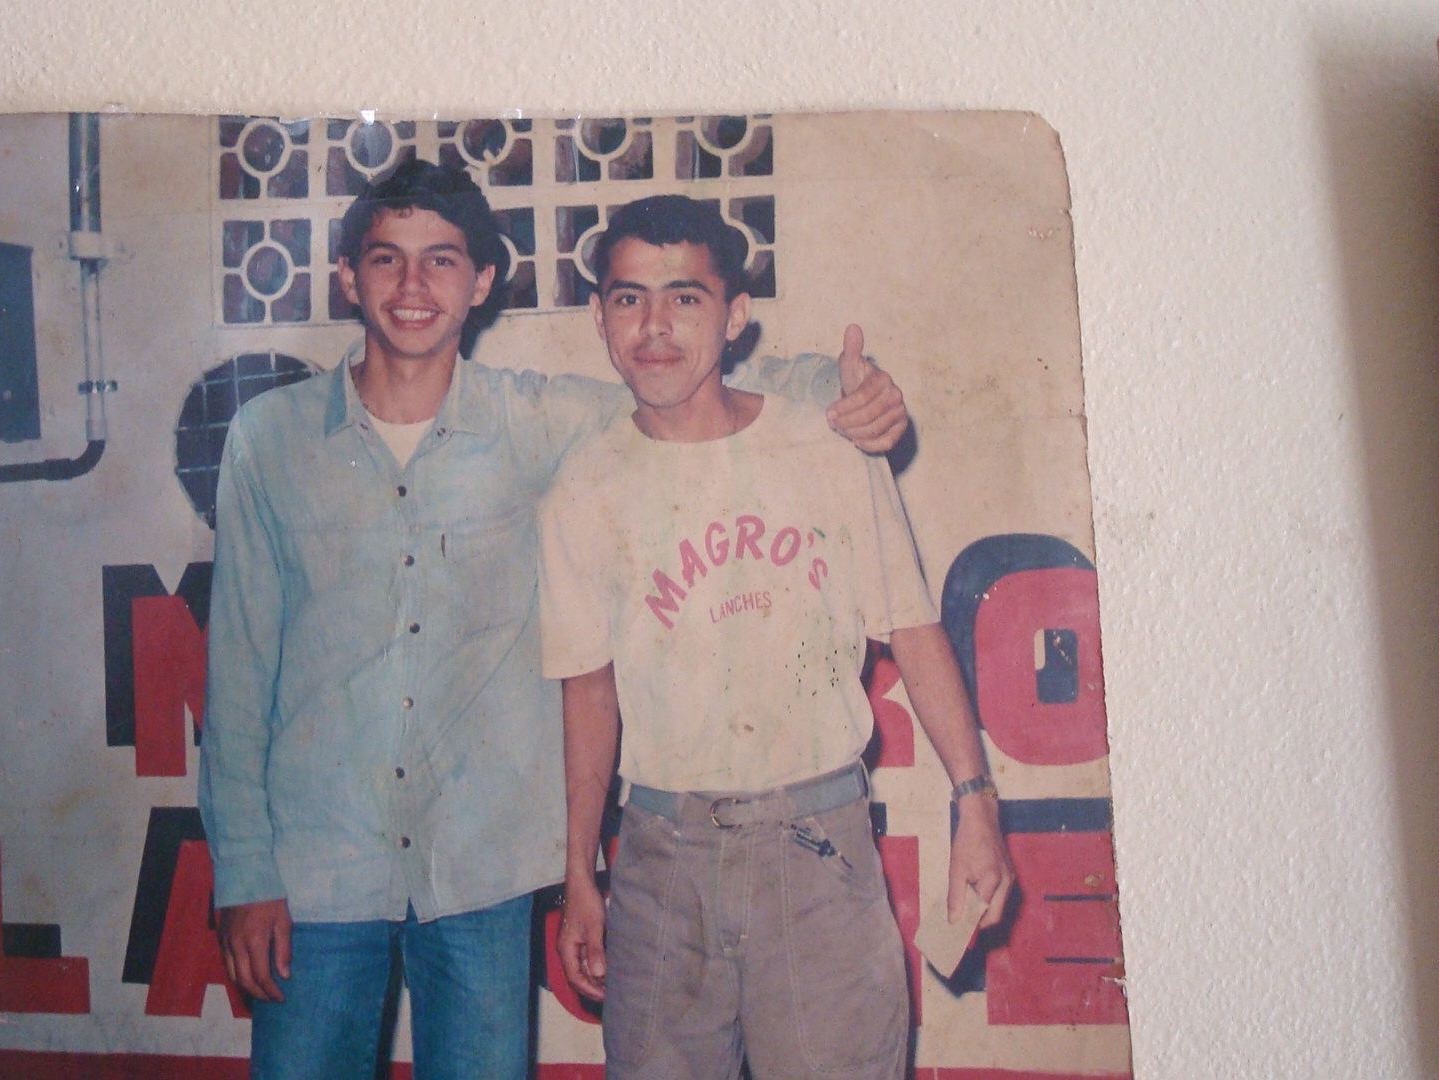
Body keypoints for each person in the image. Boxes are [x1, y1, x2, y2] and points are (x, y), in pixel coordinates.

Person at [198, 161, 910, 1080]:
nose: (413, 286)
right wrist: (244, 872)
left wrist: (849, 388)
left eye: (442, 260)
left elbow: (694, 382)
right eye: (385, 258)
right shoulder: (268, 439)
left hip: (480, 876)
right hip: (313, 875)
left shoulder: (537, 422)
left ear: (482, 282)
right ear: (346, 276)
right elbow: (238, 679)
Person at [538, 195, 1015, 1080]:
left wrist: (975, 803)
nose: (654, 326)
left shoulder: (824, 449)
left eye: (685, 298)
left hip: (815, 850)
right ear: (600, 317)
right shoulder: (583, 490)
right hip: (660, 861)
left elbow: (913, 629)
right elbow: (588, 691)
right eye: (629, 298)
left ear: (735, 316)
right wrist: (579, 872)